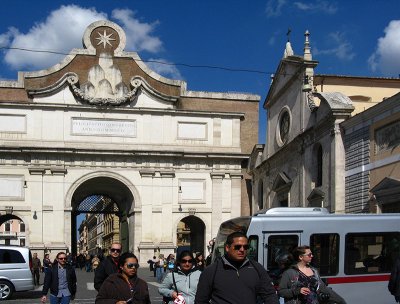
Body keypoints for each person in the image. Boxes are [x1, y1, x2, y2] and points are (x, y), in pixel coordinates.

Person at [195, 231, 279, 304]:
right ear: (227, 248)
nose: (242, 250)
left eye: (245, 247)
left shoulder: (257, 268)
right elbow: (201, 301)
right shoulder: (211, 271)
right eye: (237, 247)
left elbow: (270, 294)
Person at [278, 246, 346, 304]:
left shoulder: (314, 271)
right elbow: (281, 292)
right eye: (309, 255)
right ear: (301, 257)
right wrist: (297, 291)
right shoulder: (289, 273)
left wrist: (341, 300)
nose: (312, 256)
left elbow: (323, 288)